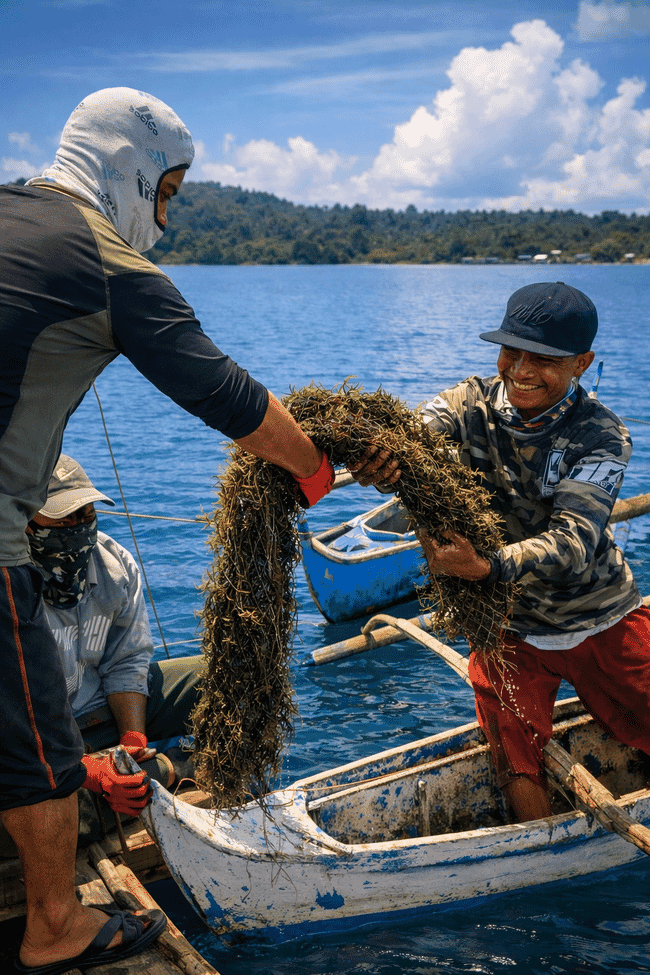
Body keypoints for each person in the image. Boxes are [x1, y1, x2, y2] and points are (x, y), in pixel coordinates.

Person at [0, 87, 334, 974]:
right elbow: (222, 392)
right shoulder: (108, 260)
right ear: (130, 170)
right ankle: (54, 926)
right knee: (32, 737)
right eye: (170, 194)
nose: (168, 217)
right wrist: (312, 468)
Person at [353, 281, 650, 825]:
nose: (521, 369)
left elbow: (575, 541)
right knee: (515, 760)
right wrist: (378, 455)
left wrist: (486, 567)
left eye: (545, 358)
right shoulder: (466, 404)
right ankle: (535, 851)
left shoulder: (602, 435)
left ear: (582, 363)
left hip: (601, 616)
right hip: (509, 624)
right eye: (512, 351)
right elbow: (409, 435)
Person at [25, 455, 202, 798]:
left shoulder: (113, 563)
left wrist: (131, 742)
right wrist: (89, 772)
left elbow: (126, 661)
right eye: (63, 518)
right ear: (26, 520)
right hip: (36, 744)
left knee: (218, 677)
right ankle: (165, 771)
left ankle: (137, 774)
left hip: (100, 714)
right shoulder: (10, 584)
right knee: (36, 806)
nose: (78, 526)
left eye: (86, 514)